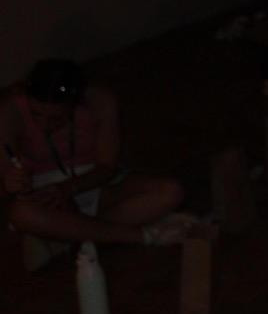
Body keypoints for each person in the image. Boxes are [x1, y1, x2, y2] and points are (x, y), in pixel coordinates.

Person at [2, 59, 190, 271]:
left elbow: (107, 166)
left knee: (170, 191)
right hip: (45, 196)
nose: (45, 124)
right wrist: (12, 184)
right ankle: (141, 236)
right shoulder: (11, 111)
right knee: (21, 214)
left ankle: (67, 236)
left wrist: (68, 188)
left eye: (57, 118)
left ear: (75, 104)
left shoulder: (101, 101)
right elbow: (5, 186)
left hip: (94, 183)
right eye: (36, 114)